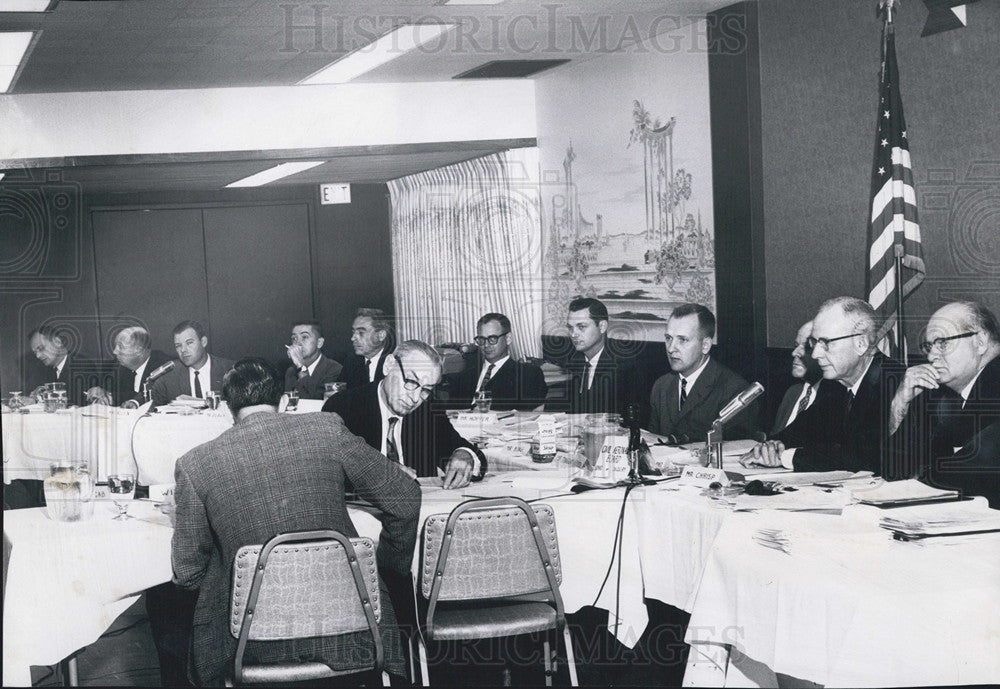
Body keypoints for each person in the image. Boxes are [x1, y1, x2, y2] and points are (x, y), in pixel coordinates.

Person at [172, 358, 420, 685]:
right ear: (283, 399)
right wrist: (386, 568)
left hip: (248, 646)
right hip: (354, 634)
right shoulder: (327, 428)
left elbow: (187, 574)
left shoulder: (195, 465)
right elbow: (406, 497)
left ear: (228, 406)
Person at [746, 296, 905, 474]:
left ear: (861, 343)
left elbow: (864, 457)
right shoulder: (835, 384)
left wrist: (786, 457)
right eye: (815, 343)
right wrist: (772, 446)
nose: (815, 354)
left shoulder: (897, 384)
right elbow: (801, 430)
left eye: (826, 343)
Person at [323, 340, 486, 488]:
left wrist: (465, 455)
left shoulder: (427, 409)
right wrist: (376, 472)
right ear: (388, 365)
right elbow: (327, 472)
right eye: (410, 382)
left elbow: (469, 451)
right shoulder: (343, 407)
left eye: (426, 389)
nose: (415, 398)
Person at [889, 301, 1000, 505]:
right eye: (929, 346)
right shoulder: (943, 396)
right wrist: (899, 403)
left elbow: (973, 473)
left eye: (943, 343)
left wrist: (912, 485)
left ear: (981, 341)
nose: (931, 356)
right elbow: (894, 467)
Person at [647, 303, 758, 442]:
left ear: (705, 345)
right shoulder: (661, 386)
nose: (671, 348)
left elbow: (735, 451)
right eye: (669, 338)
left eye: (682, 340)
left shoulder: (733, 390)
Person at [447, 312, 547, 411]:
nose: (486, 345)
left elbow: (528, 416)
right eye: (481, 339)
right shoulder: (465, 376)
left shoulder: (527, 374)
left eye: (492, 339)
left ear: (508, 338)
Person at [150, 320, 233, 407]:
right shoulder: (169, 374)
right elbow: (149, 396)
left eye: (189, 343)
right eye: (178, 345)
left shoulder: (229, 370)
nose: (183, 350)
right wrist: (134, 403)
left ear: (203, 342)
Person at [565, 297, 626, 414]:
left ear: (602, 326)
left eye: (581, 327)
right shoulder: (574, 360)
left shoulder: (624, 366)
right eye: (570, 327)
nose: (573, 334)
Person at [26, 325, 103, 406]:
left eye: (41, 348)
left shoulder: (81, 365)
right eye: (35, 353)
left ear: (57, 342)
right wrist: (32, 399)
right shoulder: (43, 369)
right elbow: (33, 394)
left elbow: (78, 402)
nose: (38, 356)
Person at [770, 320, 824, 434]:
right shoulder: (792, 392)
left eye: (806, 347)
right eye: (796, 346)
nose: (795, 353)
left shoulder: (832, 400)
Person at [107, 326, 174, 407]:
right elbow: (118, 396)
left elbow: (154, 397)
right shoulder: (121, 367)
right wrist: (106, 395)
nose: (115, 351)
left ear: (138, 350)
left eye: (121, 347)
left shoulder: (163, 367)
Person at [283, 319, 343, 399]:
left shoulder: (334, 369)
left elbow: (317, 400)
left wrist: (301, 368)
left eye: (304, 337)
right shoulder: (291, 372)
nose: (298, 343)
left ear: (319, 343)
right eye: (294, 338)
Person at [338, 308, 392, 389]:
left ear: (381, 335)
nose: (353, 338)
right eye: (353, 332)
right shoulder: (351, 363)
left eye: (361, 332)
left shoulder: (393, 363)